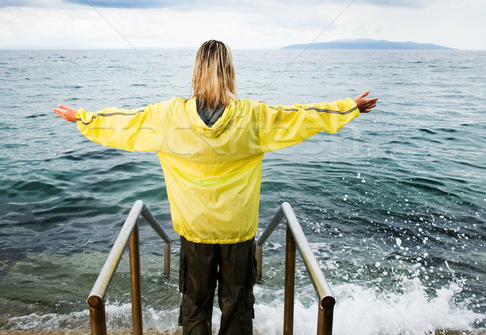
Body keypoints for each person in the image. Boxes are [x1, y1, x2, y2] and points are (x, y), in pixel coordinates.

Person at [53, 40, 377, 335]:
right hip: (238, 230)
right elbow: (302, 117)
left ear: (196, 71)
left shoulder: (166, 116)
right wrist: (349, 107)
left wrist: (83, 118)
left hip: (195, 230)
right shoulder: (253, 116)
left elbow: (122, 123)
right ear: (230, 71)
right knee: (237, 308)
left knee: (195, 306)